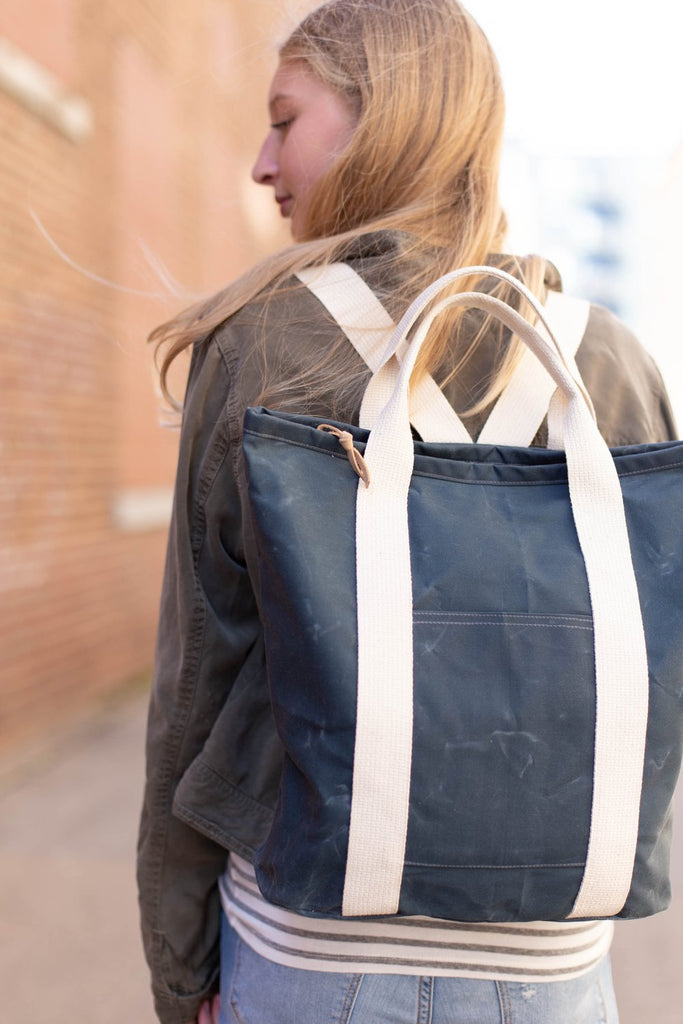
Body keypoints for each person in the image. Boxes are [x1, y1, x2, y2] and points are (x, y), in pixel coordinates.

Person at [137, 2, 677, 1023]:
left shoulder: (258, 346)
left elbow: (193, 688)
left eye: (283, 120)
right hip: (551, 961)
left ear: (378, 118)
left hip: (310, 946)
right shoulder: (605, 362)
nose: (260, 161)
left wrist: (180, 970)